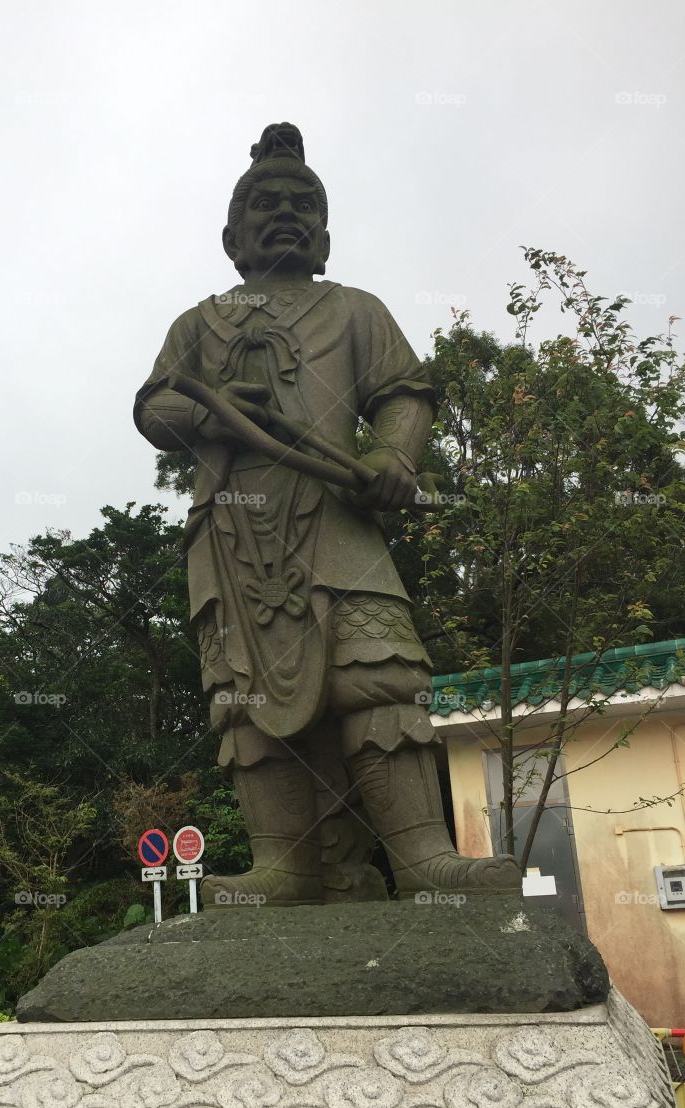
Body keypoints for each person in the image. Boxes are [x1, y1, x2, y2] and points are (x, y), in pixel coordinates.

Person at [135, 123, 520, 906]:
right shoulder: (197, 324)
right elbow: (154, 409)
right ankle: (285, 866)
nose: (286, 213)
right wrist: (212, 412)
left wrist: (394, 456)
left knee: (380, 679)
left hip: (337, 518)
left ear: (326, 235)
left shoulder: (354, 311)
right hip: (230, 532)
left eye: (303, 204)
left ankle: (422, 857)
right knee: (243, 703)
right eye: (266, 203)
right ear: (232, 238)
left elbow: (404, 393)